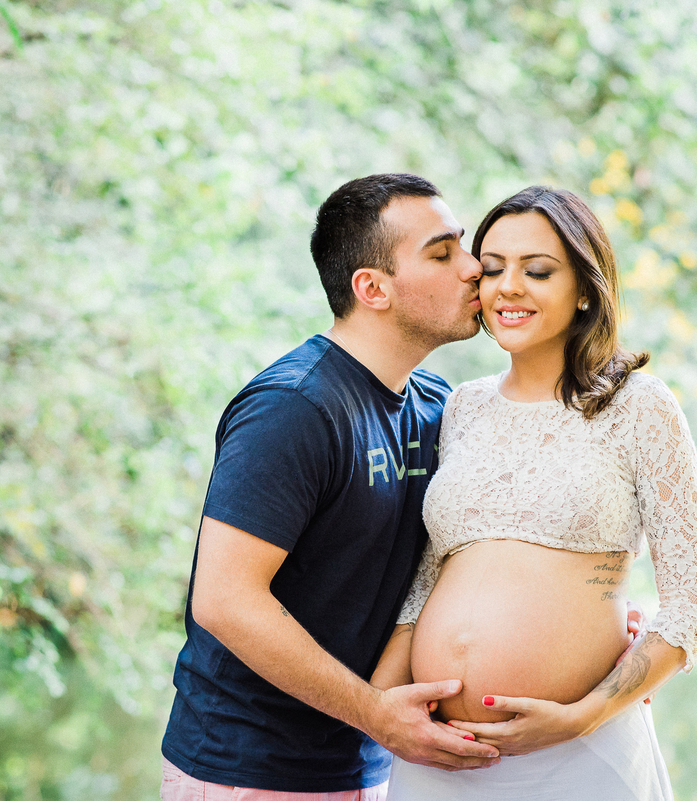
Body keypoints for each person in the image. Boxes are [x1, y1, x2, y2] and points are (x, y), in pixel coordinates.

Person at [371, 186, 697, 800]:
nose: (508, 287)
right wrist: (382, 701)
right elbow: (431, 574)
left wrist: (583, 715)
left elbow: (696, 607)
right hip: (437, 756)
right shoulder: (464, 407)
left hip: (578, 755)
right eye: (492, 268)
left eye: (537, 271)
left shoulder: (638, 406)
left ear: (585, 288)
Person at [159, 173, 504, 800]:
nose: (473, 267)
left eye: (463, 244)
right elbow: (224, 599)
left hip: (373, 763)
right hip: (249, 771)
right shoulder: (293, 408)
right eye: (442, 253)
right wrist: (376, 715)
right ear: (372, 288)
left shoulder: (439, 405)